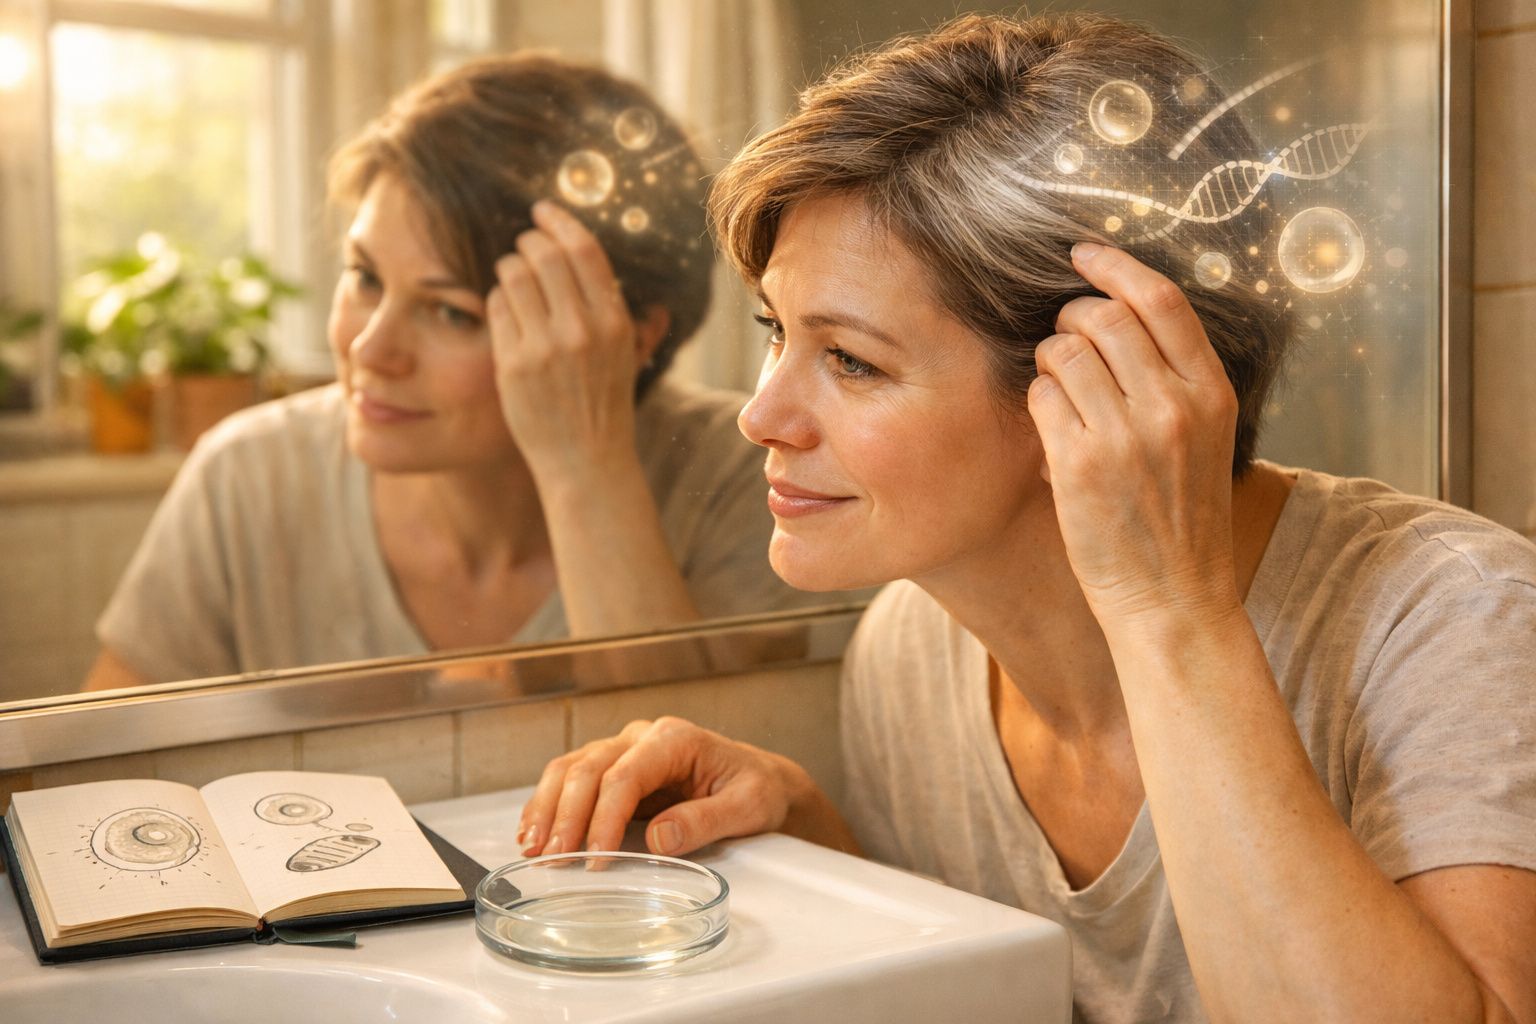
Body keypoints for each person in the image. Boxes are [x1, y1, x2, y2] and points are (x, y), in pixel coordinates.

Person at [515, 13, 1536, 1023]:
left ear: (1100, 381)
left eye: (852, 361)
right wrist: (803, 827)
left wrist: (1169, 612)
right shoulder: (912, 650)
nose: (760, 415)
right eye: (776, 332)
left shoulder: (1455, 623)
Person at [85, 54, 826, 689]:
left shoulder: (746, 482)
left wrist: (585, 466)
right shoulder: (247, 476)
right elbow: (93, 792)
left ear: (624, 338)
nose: (371, 349)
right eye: (364, 277)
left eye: (452, 314)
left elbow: (695, 787)